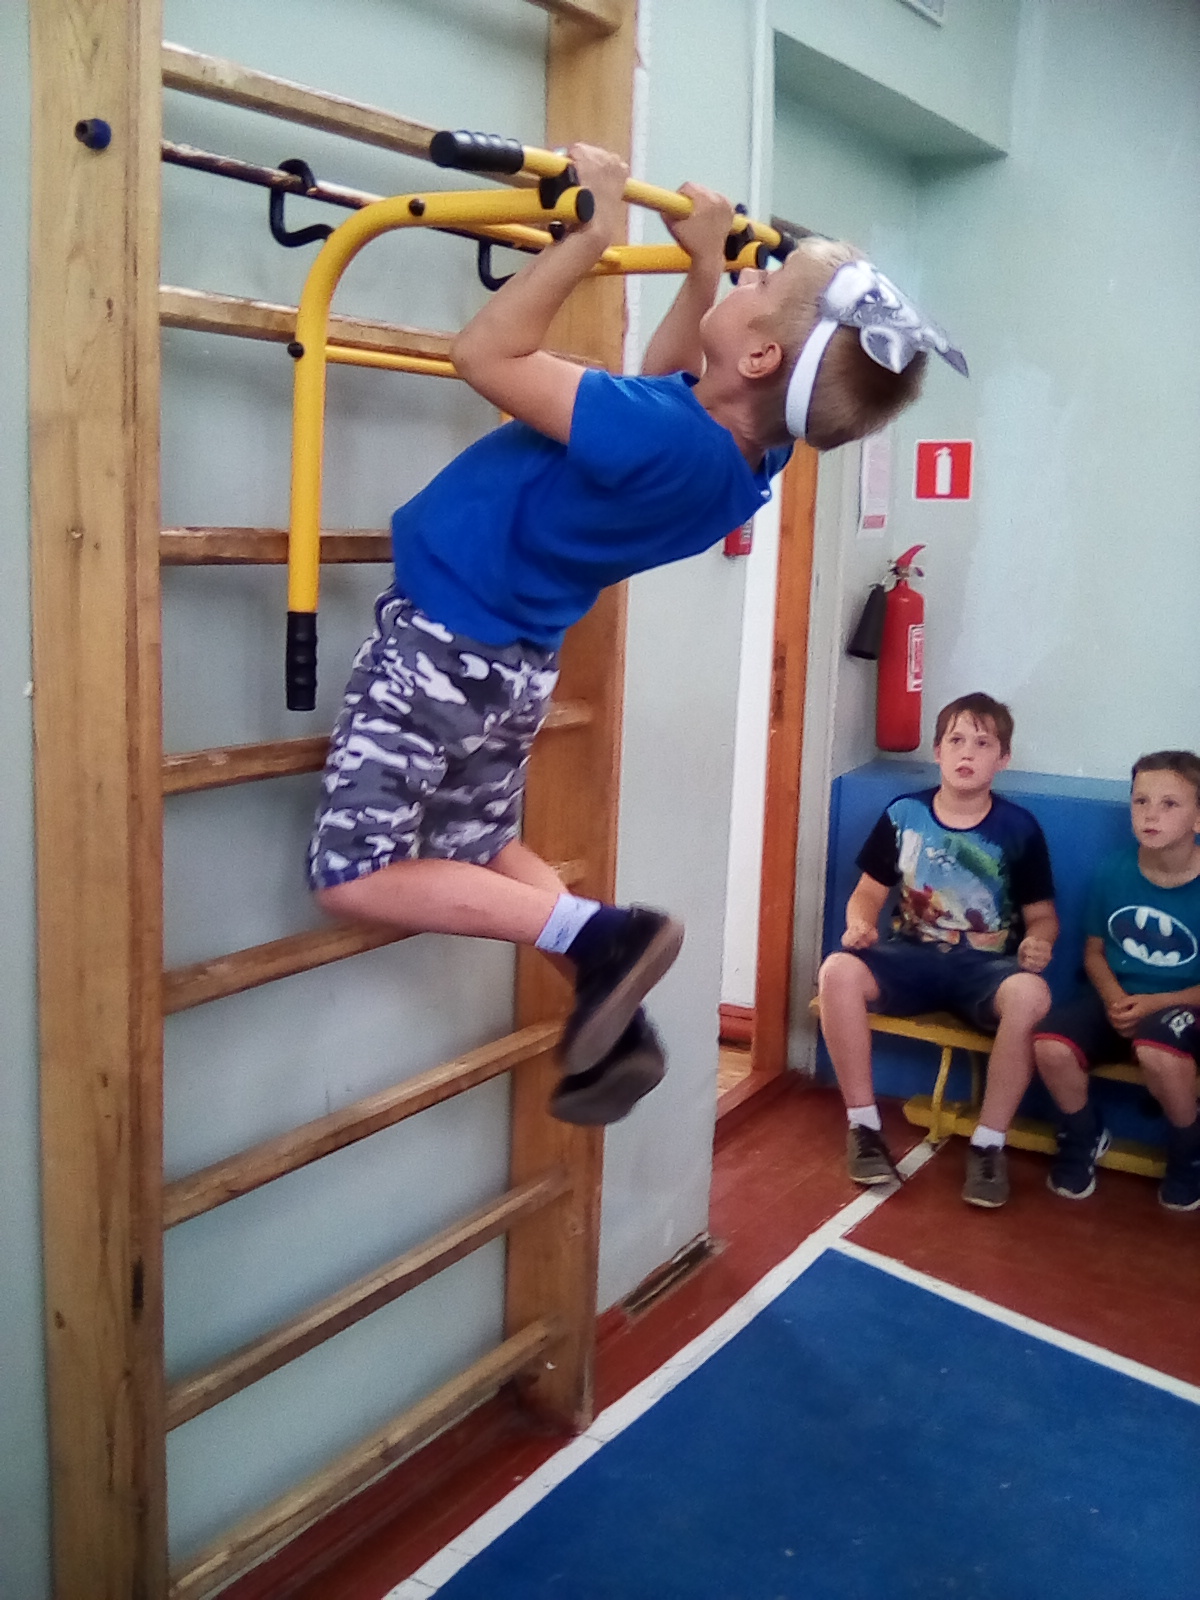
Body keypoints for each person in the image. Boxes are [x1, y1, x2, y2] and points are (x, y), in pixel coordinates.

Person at [309, 142, 965, 1126]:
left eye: (761, 281)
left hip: (443, 646)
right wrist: (699, 269)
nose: (747, 272)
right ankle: (612, 1010)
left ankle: (603, 939)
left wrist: (591, 236)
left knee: (353, 876)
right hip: (509, 666)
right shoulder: (740, 454)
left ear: (759, 357)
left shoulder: (668, 437)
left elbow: (483, 356)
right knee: (480, 846)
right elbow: (661, 381)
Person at [818, 693, 1057, 1207]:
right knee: (836, 971)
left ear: (1003, 758)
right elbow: (868, 894)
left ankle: (988, 1145)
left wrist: (1039, 942)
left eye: (982, 743)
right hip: (910, 959)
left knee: (1032, 996)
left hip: (986, 968)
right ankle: (863, 1127)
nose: (967, 752)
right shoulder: (904, 814)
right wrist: (859, 924)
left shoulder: (1019, 829)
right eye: (956, 740)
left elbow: (1042, 916)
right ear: (937, 751)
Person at [1033, 751, 1200, 1211]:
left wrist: (1152, 1005)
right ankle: (1083, 1134)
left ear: (1198, 817)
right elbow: (1094, 951)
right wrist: (1114, 998)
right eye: (1141, 801)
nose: (1151, 814)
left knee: (1158, 1051)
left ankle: (1189, 1151)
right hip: (1119, 997)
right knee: (1050, 1045)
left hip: (1184, 1005)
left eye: (1169, 804)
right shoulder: (1114, 870)